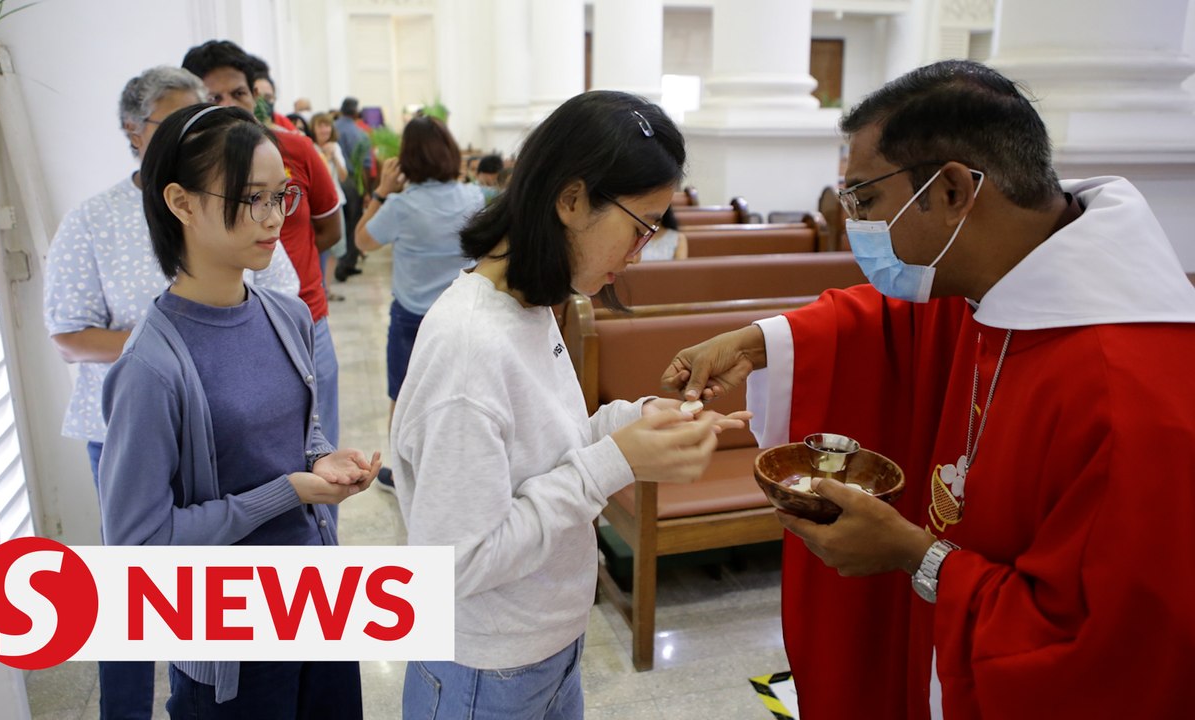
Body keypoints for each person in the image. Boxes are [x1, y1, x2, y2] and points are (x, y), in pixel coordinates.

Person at [662, 59, 1195, 720]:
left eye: (864, 201)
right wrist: (758, 342)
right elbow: (895, 323)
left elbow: (1108, 654)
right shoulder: (1004, 279)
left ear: (950, 191)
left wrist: (916, 555)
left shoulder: (1129, 394)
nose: (855, 226)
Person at [391, 90, 750, 718]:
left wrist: (639, 421)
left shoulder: (530, 304)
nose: (640, 253)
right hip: (486, 671)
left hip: (544, 644)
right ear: (572, 199)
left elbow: (546, 446)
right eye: (639, 228)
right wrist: (614, 462)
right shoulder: (470, 348)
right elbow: (455, 564)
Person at [99, 103, 381, 718]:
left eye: (281, 195)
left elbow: (296, 437)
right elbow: (139, 548)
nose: (275, 217)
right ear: (181, 203)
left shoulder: (287, 315)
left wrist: (320, 461)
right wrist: (288, 491)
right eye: (252, 198)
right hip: (232, 641)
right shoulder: (151, 368)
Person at [42, 67, 299, 720]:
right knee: (146, 593)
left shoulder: (260, 267)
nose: (196, 129)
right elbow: (69, 333)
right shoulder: (96, 222)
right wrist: (180, 354)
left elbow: (278, 307)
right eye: (173, 120)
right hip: (138, 419)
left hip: (236, 422)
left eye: (205, 112)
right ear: (135, 134)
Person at [183, 40, 344, 452]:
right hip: (231, 332)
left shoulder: (296, 149)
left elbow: (329, 230)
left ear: (255, 95)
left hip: (306, 318)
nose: (228, 105)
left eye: (238, 92)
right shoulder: (192, 178)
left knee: (322, 448)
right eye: (213, 97)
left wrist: (283, 259)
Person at [354, 116, 485, 491]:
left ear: (407, 158)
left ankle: (403, 476)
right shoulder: (473, 197)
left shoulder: (400, 205)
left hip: (412, 318)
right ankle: (455, 471)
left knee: (403, 396)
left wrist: (382, 192)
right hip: (461, 314)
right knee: (458, 394)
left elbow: (362, 241)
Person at [310, 112, 350, 301]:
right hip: (317, 206)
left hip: (336, 202)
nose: (324, 129)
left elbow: (343, 176)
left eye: (327, 126)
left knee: (336, 246)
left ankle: (326, 289)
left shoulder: (335, 147)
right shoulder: (310, 148)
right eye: (320, 125)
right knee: (318, 247)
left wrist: (334, 157)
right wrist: (324, 156)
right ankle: (318, 288)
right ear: (313, 128)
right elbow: (319, 177)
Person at [333, 96, 371, 280]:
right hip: (352, 182)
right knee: (353, 222)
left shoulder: (332, 128)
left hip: (333, 181)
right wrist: (367, 191)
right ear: (356, 112)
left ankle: (338, 263)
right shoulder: (359, 133)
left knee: (340, 223)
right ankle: (346, 264)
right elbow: (365, 165)